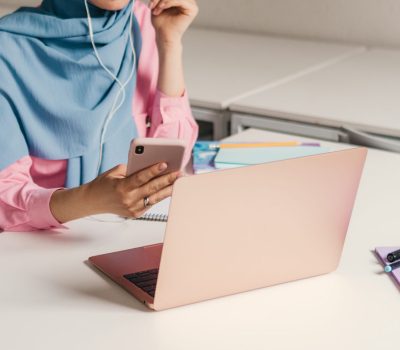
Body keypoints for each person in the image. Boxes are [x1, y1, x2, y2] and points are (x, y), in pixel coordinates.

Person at [0, 0, 199, 232]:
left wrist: (169, 43)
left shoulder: (143, 24)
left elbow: (168, 160)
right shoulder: (7, 49)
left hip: (130, 234)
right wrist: (89, 199)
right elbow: (4, 200)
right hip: (41, 244)